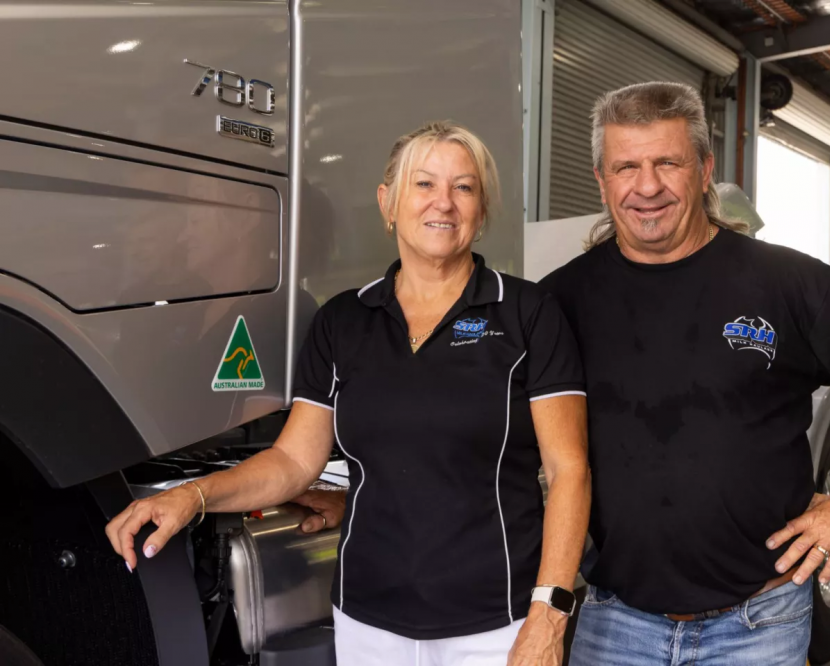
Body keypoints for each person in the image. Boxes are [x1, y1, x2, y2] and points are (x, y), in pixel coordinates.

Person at [105, 121, 591, 666]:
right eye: (424, 184)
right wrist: (191, 497)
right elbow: (294, 460)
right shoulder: (344, 320)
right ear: (388, 203)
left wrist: (549, 615)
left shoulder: (527, 313)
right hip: (367, 620)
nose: (444, 202)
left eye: (464, 187)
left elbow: (569, 471)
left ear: (481, 211)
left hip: (496, 625)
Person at [539, 82, 830, 665]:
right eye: (626, 167)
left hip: (759, 627)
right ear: (602, 180)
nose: (647, 187)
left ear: (704, 170)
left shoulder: (787, 283)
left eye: (667, 163)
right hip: (614, 624)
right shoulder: (561, 301)